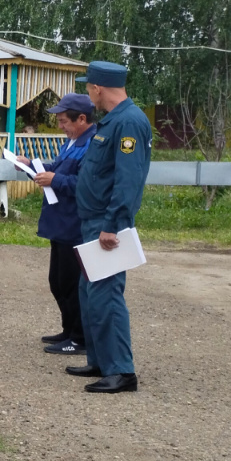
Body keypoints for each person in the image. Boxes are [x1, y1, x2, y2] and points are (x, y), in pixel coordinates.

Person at [66, 61, 152, 394]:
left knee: (106, 296)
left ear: (99, 88)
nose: (89, 94)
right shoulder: (113, 121)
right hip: (93, 220)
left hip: (106, 224)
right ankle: (101, 361)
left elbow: (128, 179)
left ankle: (122, 371)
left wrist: (114, 224)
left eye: (89, 88)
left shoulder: (128, 122)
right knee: (90, 293)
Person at [14, 93, 96, 357]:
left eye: (64, 121)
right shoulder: (73, 142)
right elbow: (56, 171)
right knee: (57, 282)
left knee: (71, 283)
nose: (60, 126)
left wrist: (54, 180)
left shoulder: (92, 145)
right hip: (60, 222)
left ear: (81, 119)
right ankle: (68, 329)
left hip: (74, 223)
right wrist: (29, 167)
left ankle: (80, 338)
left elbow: (85, 185)